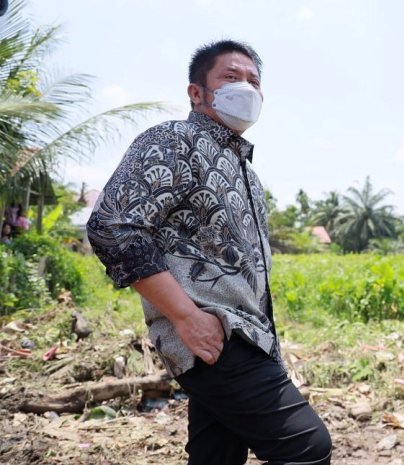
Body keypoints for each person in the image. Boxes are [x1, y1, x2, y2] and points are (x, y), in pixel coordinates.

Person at [87, 40, 331, 465]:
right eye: (231, 77)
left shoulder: (247, 173)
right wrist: (187, 316)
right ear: (196, 92)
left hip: (247, 337)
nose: (247, 88)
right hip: (214, 333)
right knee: (306, 447)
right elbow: (113, 225)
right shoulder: (174, 140)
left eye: (254, 81)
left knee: (216, 455)